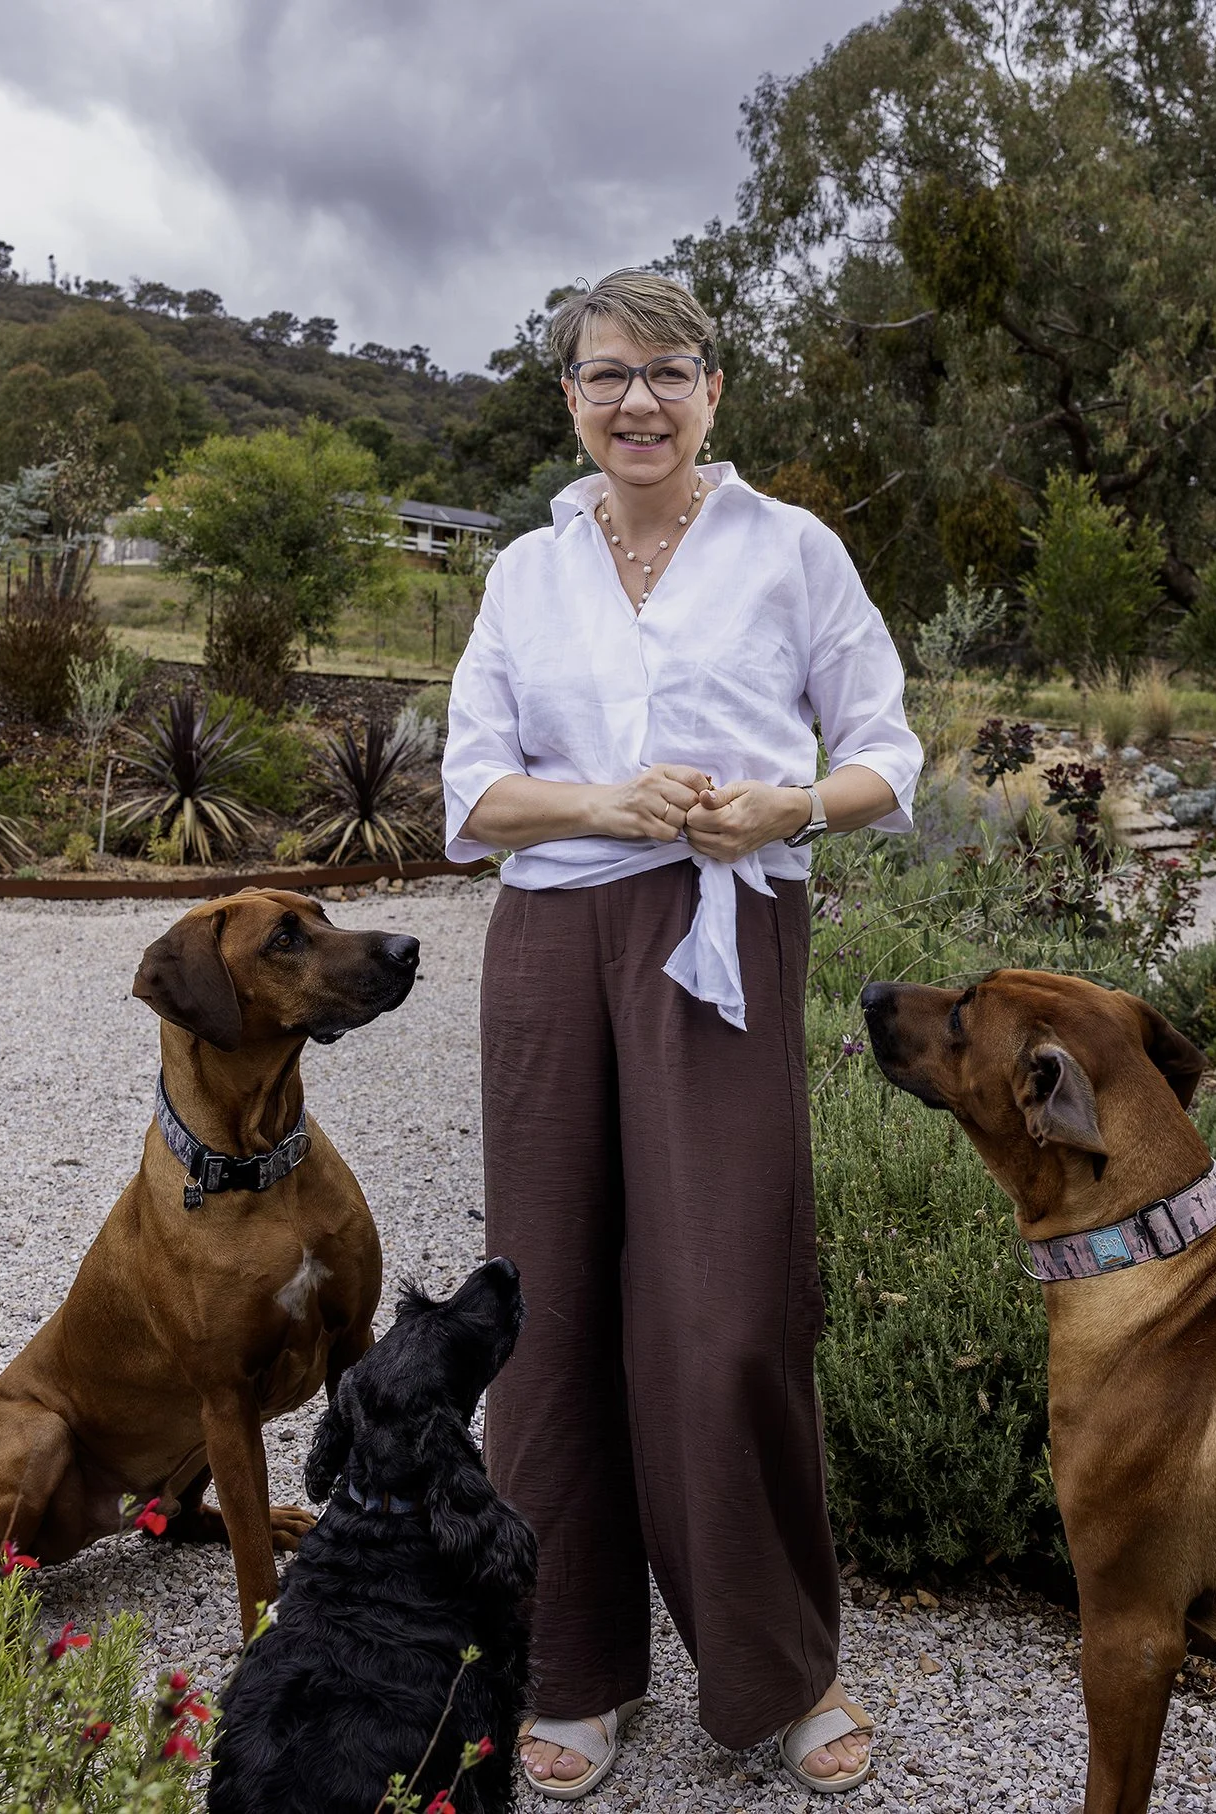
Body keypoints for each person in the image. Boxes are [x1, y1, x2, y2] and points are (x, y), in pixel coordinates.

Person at [442, 268, 922, 1799]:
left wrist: (791, 806)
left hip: (724, 937)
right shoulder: (526, 572)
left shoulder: (792, 550)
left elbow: (888, 755)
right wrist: (606, 799)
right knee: (550, 1305)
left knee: (726, 1315)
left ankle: (778, 1664)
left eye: (666, 370)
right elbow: (471, 793)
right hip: (550, 948)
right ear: (571, 398)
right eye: (607, 373)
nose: (636, 399)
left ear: (714, 388)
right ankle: (572, 1665)